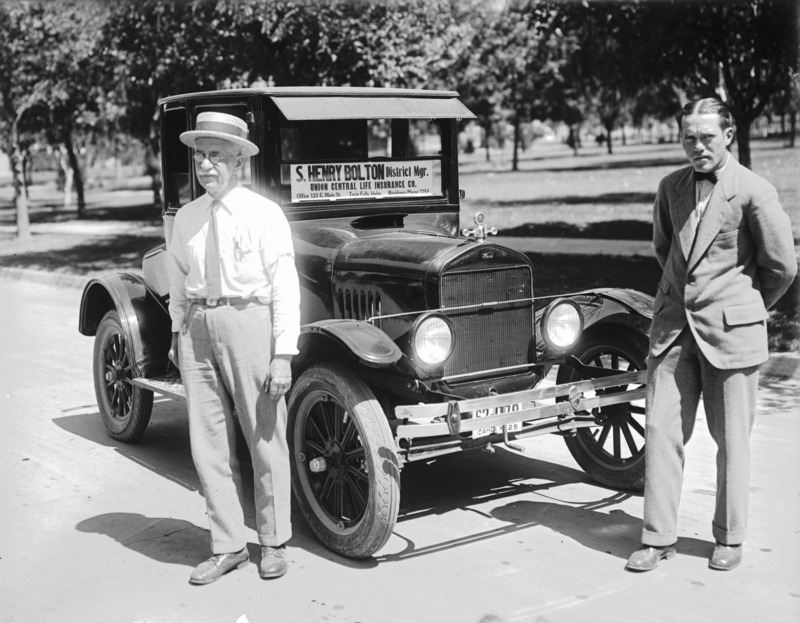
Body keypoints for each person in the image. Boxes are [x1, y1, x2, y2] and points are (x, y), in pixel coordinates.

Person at [625, 98, 796, 572]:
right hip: (672, 330)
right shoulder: (670, 187)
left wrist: (744, 307)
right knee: (661, 432)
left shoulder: (754, 190)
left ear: (728, 135)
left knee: (732, 440)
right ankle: (657, 537)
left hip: (731, 335)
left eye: (706, 137)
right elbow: (665, 249)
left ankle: (729, 537)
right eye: (688, 138)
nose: (696, 146)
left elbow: (781, 267)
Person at [167, 111, 301, 584]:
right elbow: (179, 280)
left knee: (264, 437)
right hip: (197, 328)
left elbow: (284, 286)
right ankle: (228, 546)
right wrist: (177, 332)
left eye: (217, 156)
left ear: (239, 162)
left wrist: (283, 353)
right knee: (208, 443)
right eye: (200, 156)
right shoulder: (187, 218)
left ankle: (274, 541)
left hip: (250, 324)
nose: (206, 165)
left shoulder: (264, 214)